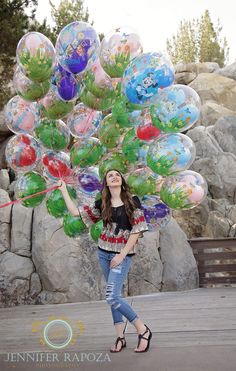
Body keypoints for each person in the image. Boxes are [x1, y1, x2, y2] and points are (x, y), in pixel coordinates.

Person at [58, 169, 152, 353]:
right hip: (103, 252)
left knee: (112, 296)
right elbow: (75, 212)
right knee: (113, 298)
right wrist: (63, 190)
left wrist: (121, 255)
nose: (114, 176)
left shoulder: (133, 202)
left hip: (121, 255)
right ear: (106, 184)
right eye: (110, 175)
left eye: (117, 174)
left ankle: (143, 330)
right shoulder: (102, 203)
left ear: (122, 180)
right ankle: (120, 337)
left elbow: (137, 230)